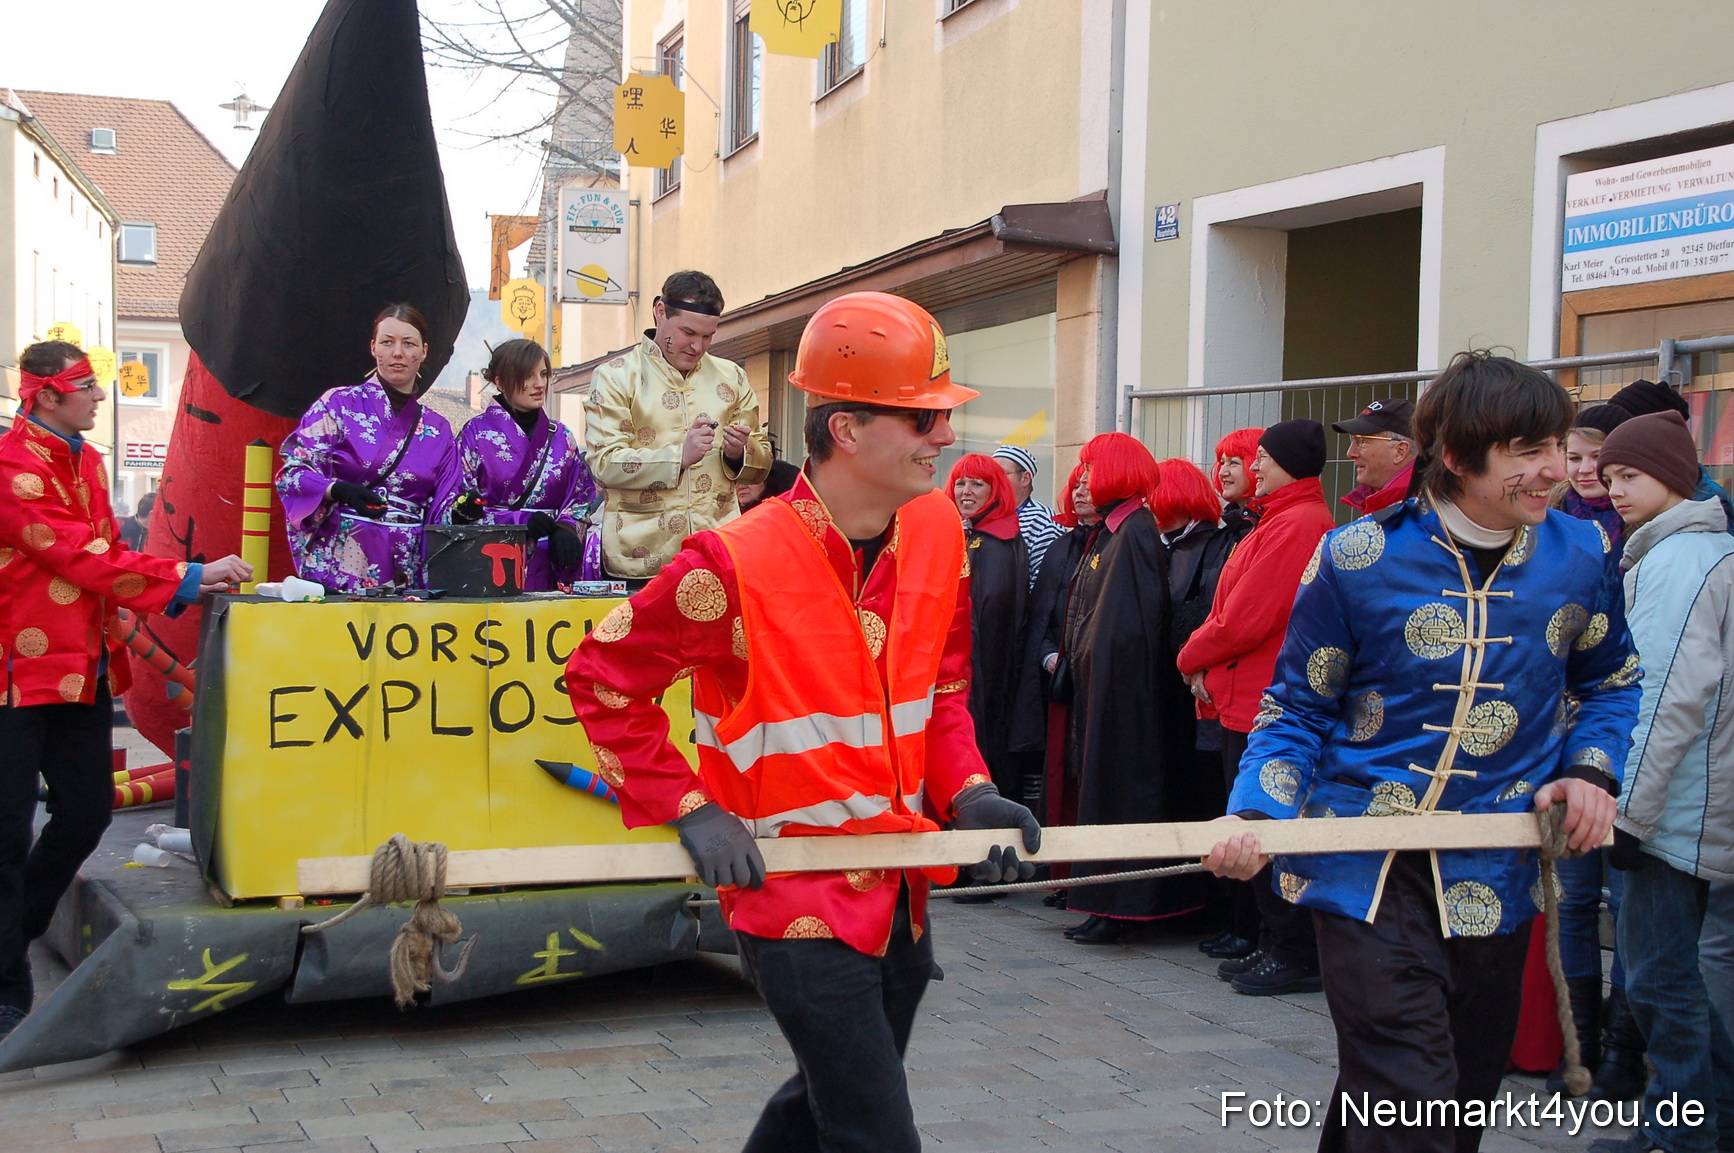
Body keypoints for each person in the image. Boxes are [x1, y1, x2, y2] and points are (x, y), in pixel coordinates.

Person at [566, 291, 1040, 1153]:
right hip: (792, 895)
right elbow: (602, 680)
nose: (945, 437)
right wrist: (689, 806)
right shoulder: (734, 562)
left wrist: (968, 791)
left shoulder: (939, 532)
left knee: (824, 1105)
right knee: (874, 1131)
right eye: (924, 417)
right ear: (848, 430)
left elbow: (941, 690)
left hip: (901, 888)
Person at [1205, 352, 1641, 1153]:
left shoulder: (1579, 554)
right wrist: (1259, 813)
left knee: (1449, 1098)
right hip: (1365, 867)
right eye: (1528, 450)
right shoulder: (1355, 556)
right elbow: (1296, 705)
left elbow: (1611, 682)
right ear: (1458, 453)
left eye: (1557, 446)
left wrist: (1589, 771)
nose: (1556, 469)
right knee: (1414, 1092)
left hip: (1497, 868)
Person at [0, 340, 251, 1037]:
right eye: (87, 386)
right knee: (6, 833)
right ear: (47, 394)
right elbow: (80, 557)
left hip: (81, 671)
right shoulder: (10, 466)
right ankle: (6, 984)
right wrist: (189, 577)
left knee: (83, 815)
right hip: (14, 679)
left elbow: (106, 558)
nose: (100, 397)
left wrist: (162, 618)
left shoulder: (87, 460)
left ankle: (12, 934)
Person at [1591, 410, 1734, 1153]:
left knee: (1657, 978)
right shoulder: (1689, 550)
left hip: (1674, 809)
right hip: (1688, 803)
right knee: (1678, 976)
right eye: (1609, 475)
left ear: (1675, 477)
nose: (1614, 488)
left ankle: (1685, 1134)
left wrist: (1627, 813)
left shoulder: (1681, 561)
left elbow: (1663, 693)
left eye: (1630, 474)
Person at [1177, 419, 1335, 994]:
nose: (1255, 466)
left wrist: (1189, 657)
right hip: (1245, 693)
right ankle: (1273, 940)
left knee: (1265, 830)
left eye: (1264, 457)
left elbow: (1247, 617)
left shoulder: (1297, 524)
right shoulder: (1281, 518)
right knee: (1250, 828)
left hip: (1267, 701)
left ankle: (1293, 949)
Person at [1058, 433, 1213, 946]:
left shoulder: (1134, 532)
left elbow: (1128, 630)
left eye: (1088, 468)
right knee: (1104, 799)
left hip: (1126, 700)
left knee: (1123, 800)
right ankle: (1100, 900)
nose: (1080, 478)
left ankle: (1120, 907)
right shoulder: (1114, 531)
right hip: (1105, 693)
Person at [584, 270, 771, 582]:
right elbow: (604, 463)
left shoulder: (732, 377)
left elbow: (762, 463)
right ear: (660, 311)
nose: (697, 346)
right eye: (688, 332)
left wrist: (739, 454)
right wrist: (678, 457)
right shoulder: (615, 376)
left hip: (719, 550)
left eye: (708, 336)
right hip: (641, 556)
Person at [276, 304, 457, 593]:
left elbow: (446, 505)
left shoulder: (439, 430)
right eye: (387, 342)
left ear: (423, 351)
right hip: (343, 555)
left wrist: (465, 509)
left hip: (407, 563)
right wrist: (338, 489)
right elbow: (292, 474)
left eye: (408, 343)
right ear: (374, 348)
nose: (397, 352)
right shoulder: (337, 404)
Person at [432, 338, 598, 590]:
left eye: (543, 374)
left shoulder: (562, 436)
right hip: (491, 561)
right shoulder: (475, 434)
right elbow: (456, 508)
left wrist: (566, 526)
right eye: (527, 376)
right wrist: (517, 521)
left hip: (550, 561)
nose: (539, 384)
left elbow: (580, 495)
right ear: (499, 381)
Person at [948, 454, 1031, 811]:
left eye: (976, 484)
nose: (965, 492)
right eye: (960, 483)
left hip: (982, 687)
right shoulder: (988, 535)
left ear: (995, 490)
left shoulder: (993, 544)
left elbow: (986, 628)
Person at [992, 444, 1062, 584]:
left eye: (1001, 474)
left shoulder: (1043, 522)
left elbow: (1042, 584)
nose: (994, 480)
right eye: (991, 474)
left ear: (1025, 478)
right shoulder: (987, 514)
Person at [1333, 397, 1416, 515]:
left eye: (1362, 441)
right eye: (1353, 440)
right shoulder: (1380, 503)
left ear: (1400, 451)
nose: (1350, 453)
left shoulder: (1423, 510)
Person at [1212, 427, 1265, 543]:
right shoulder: (1222, 538)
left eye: (1234, 463)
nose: (1222, 472)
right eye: (1222, 463)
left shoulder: (1269, 528)